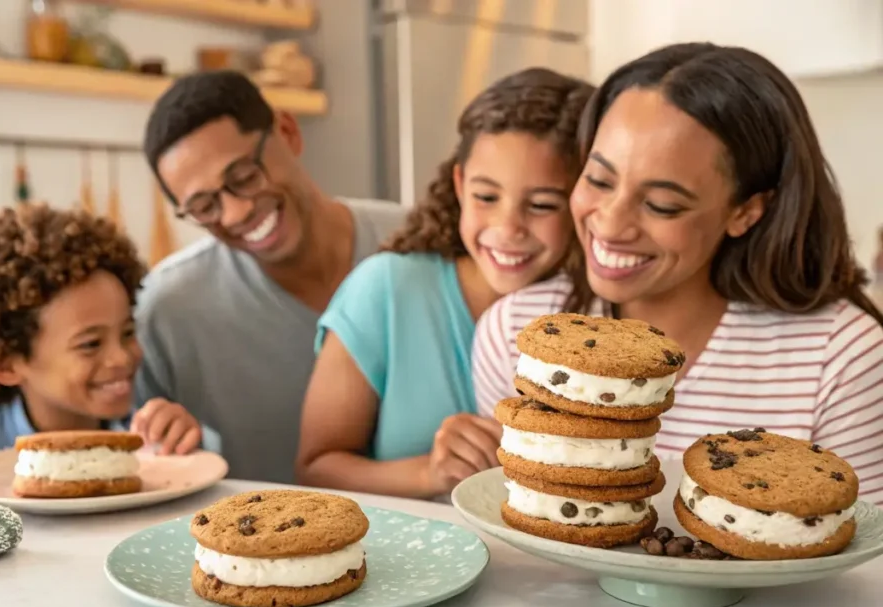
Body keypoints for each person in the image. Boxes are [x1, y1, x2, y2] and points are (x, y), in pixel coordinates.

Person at [472, 43, 883, 505]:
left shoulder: (841, 359)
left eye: (661, 205)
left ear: (746, 211)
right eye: (599, 180)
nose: (609, 223)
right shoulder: (516, 334)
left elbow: (866, 563)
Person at [295, 68, 595, 498]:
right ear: (459, 184)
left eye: (542, 204)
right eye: (486, 197)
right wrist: (429, 474)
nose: (508, 228)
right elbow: (315, 469)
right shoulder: (386, 290)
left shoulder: (604, 315)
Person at [135, 71, 406, 484]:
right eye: (205, 206)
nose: (235, 213)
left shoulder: (418, 243)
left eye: (244, 176)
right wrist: (162, 438)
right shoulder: (169, 309)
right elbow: (142, 466)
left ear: (287, 131)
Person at [0, 203, 201, 477]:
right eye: (90, 344)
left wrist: (181, 444)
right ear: (5, 364)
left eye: (126, 333)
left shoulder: (147, 438)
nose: (121, 357)